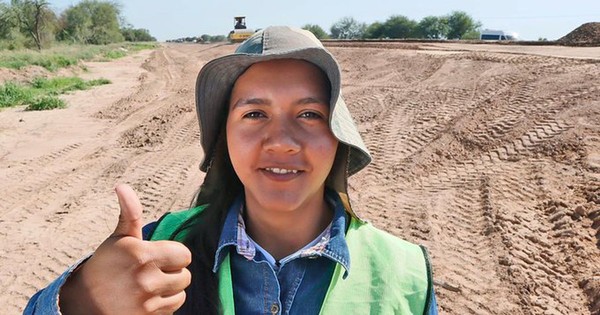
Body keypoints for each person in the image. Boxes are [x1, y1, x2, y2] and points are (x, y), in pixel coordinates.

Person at [25, 26, 438, 314]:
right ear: (224, 136)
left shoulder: (406, 273)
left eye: (310, 113)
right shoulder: (158, 250)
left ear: (338, 137)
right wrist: (82, 301)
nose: (281, 141)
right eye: (255, 113)